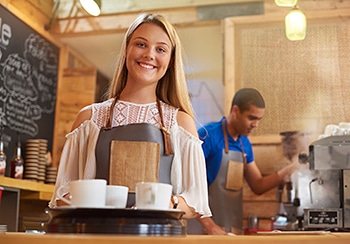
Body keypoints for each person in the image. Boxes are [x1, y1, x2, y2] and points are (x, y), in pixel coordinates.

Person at [48, 13, 226, 235]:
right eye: (141, 44)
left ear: (170, 61)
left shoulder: (180, 123)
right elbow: (62, 193)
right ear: (126, 51)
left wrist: (163, 203)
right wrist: (79, 201)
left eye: (160, 49)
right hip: (97, 237)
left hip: (159, 238)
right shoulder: (88, 119)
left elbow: (196, 200)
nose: (149, 54)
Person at [187, 88, 300, 234]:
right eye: (252, 118)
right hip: (202, 230)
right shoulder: (208, 135)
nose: (255, 124)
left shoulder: (244, 144)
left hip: (231, 230)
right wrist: (210, 226)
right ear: (235, 111)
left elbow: (258, 185)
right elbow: (189, 186)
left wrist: (291, 168)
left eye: (259, 119)